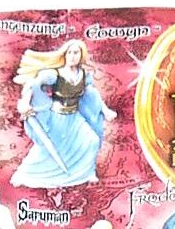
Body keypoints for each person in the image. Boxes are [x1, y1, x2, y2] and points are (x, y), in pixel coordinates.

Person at [10, 40, 116, 188]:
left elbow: (92, 94)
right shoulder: (54, 74)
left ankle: (87, 172)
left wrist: (105, 110)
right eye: (69, 53)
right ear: (65, 55)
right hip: (57, 117)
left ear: (81, 55)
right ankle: (24, 174)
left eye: (76, 53)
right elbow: (34, 84)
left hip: (75, 117)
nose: (72, 56)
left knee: (92, 141)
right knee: (46, 149)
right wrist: (25, 102)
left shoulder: (83, 75)